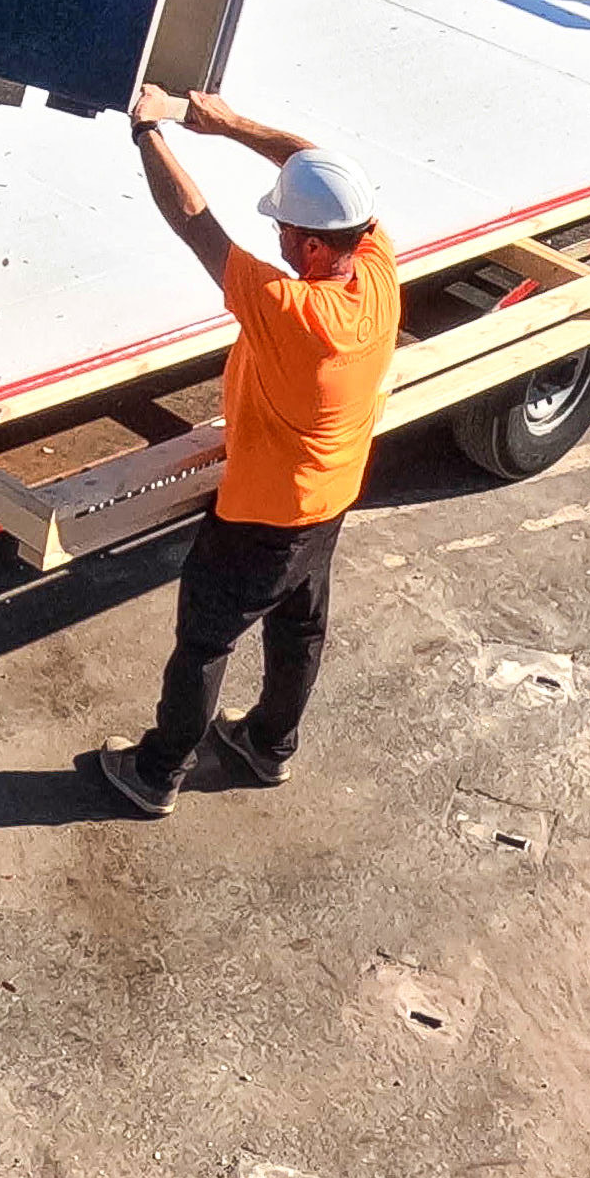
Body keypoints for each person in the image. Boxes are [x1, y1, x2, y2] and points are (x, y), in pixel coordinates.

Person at [85, 84, 400, 817]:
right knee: (298, 625)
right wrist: (227, 124)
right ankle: (267, 745)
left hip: (261, 515)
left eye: (287, 230)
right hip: (328, 501)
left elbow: (194, 223)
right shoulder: (376, 270)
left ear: (314, 247)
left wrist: (147, 134)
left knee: (203, 640)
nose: (279, 239)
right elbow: (315, 165)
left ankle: (156, 771)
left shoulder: (293, 310)